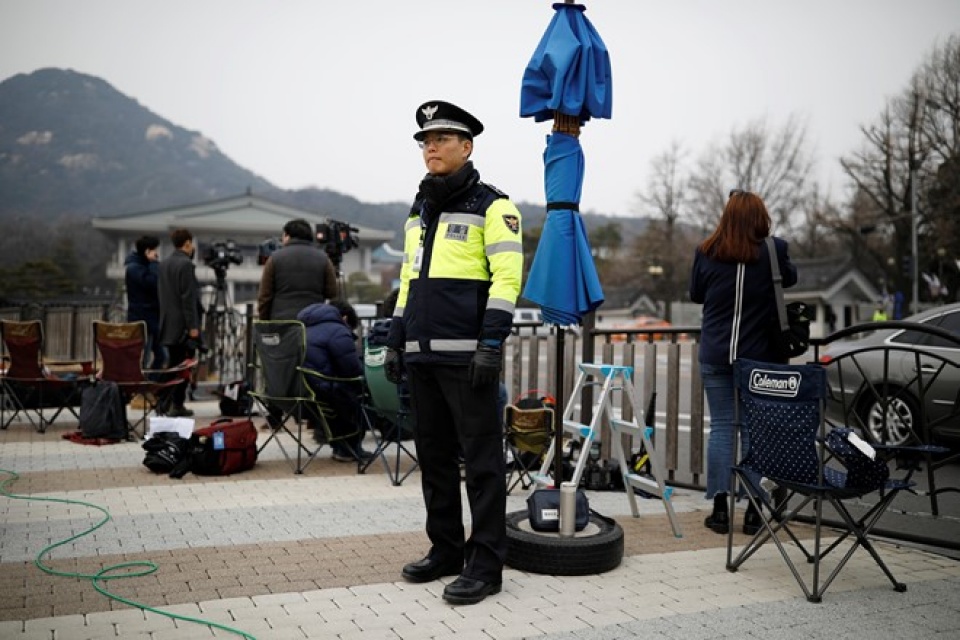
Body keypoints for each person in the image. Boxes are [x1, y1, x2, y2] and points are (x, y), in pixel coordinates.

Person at [385, 100, 523, 606]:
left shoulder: (495, 206)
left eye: (441, 139)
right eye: (425, 140)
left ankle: (486, 566)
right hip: (421, 357)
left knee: (483, 464)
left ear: (466, 147)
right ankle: (445, 550)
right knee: (435, 460)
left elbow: (508, 279)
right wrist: (397, 340)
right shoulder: (417, 213)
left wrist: (491, 344)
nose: (430, 147)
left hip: (469, 359)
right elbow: (407, 281)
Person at [689, 189, 797, 536]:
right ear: (760, 218)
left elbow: (695, 294)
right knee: (753, 430)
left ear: (726, 217)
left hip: (716, 353)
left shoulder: (706, 251)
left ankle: (720, 511)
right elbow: (791, 278)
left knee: (722, 427)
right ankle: (754, 511)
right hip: (758, 357)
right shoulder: (774, 250)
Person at [297, 300, 373, 462]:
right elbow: (352, 369)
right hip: (323, 389)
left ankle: (340, 447)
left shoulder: (300, 327)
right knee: (359, 393)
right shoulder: (338, 330)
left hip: (300, 390)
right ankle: (349, 448)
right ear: (345, 319)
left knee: (340, 391)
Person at [158, 228, 201, 417]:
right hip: (183, 325)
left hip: (167, 322)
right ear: (188, 243)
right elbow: (188, 298)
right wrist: (193, 327)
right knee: (183, 366)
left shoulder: (164, 264)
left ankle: (164, 403)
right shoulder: (186, 265)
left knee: (172, 365)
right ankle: (176, 404)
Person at [257, 219, 338, 321]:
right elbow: (332, 292)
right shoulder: (324, 259)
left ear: (287, 236)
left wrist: (264, 321)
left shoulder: (274, 258)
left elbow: (264, 296)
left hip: (282, 322)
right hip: (314, 320)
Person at [124, 235, 165, 369]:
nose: (157, 254)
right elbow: (152, 283)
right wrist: (153, 264)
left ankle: (152, 384)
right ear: (147, 251)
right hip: (142, 320)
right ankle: (142, 385)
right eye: (154, 250)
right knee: (143, 358)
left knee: (162, 356)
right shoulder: (134, 268)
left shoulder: (143, 266)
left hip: (152, 319)